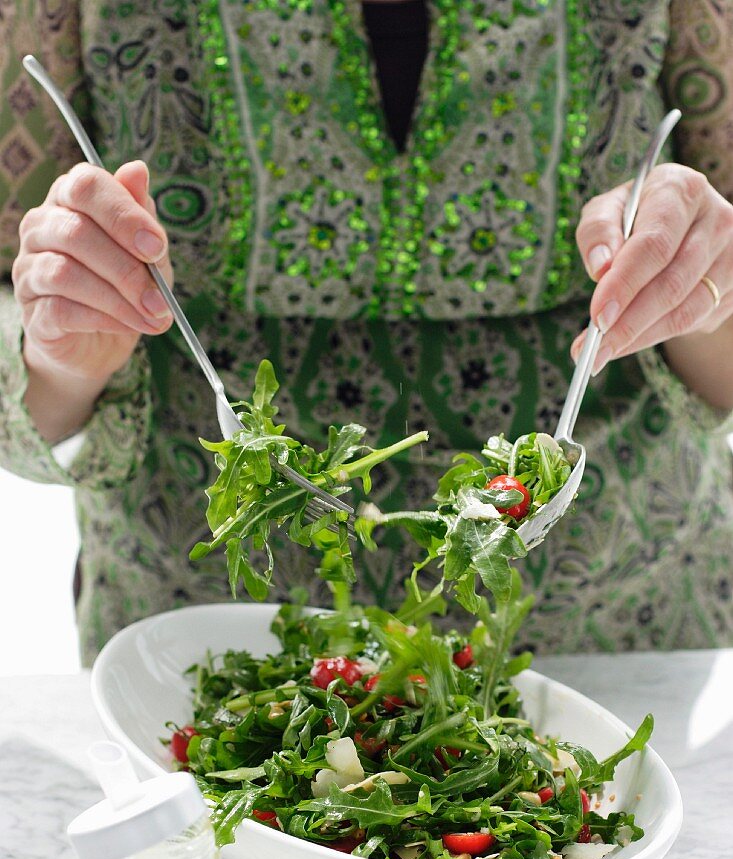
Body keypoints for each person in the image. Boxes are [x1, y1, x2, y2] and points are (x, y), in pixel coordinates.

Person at [1, 0, 732, 665]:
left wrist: (700, 290)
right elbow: (21, 334)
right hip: (210, 653)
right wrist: (65, 356)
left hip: (612, 642)